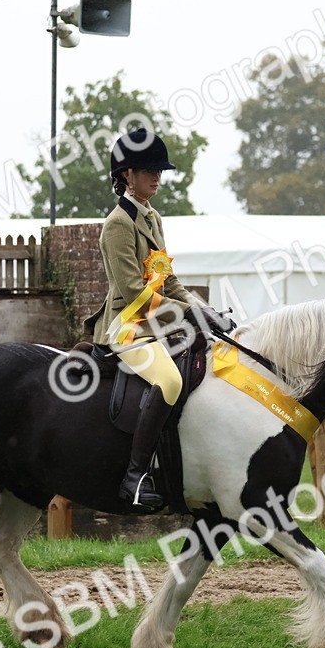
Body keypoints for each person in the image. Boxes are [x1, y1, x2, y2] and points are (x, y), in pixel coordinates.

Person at [83, 128, 202, 511]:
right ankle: (134, 477)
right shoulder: (117, 225)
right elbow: (135, 291)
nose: (157, 177)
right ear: (127, 175)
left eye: (159, 170)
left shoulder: (153, 218)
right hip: (127, 326)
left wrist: (200, 309)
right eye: (148, 170)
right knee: (169, 380)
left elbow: (167, 278)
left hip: (155, 321)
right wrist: (184, 313)